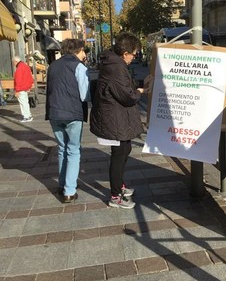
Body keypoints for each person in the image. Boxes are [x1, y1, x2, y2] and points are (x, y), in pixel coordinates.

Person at [90, 32, 148, 209]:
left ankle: (119, 185)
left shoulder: (114, 63)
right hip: (114, 117)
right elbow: (127, 96)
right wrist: (140, 92)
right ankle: (115, 196)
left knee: (125, 149)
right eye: (134, 54)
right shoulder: (116, 67)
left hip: (117, 116)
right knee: (119, 154)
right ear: (125, 53)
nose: (134, 57)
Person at [45, 39, 90, 203]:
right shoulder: (79, 67)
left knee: (62, 149)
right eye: (84, 51)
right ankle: (69, 191)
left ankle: (63, 184)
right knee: (73, 150)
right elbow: (85, 95)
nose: (85, 55)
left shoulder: (53, 66)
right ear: (78, 50)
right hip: (72, 113)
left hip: (54, 112)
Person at [13, 56, 34, 122]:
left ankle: (26, 117)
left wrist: (17, 90)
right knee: (25, 102)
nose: (13, 64)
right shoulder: (25, 66)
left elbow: (18, 80)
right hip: (25, 87)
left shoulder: (19, 68)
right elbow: (30, 78)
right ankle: (29, 115)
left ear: (16, 61)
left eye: (13, 62)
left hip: (21, 88)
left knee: (23, 103)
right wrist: (29, 86)